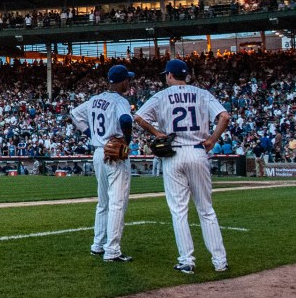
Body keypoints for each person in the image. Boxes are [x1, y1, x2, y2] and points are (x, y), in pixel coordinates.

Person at [134, 59, 229, 275]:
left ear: (169, 75)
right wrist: (213, 139)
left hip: (174, 153)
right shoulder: (201, 93)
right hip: (197, 150)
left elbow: (138, 117)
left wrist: (157, 133)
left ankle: (187, 260)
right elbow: (224, 116)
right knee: (206, 210)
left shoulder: (161, 96)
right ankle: (220, 261)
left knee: (179, 211)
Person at [70, 64, 136, 263]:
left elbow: (74, 114)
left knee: (103, 203)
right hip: (114, 154)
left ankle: (98, 245)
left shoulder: (94, 99)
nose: (129, 82)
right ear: (123, 81)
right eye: (128, 79)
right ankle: (112, 250)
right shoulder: (120, 100)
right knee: (117, 203)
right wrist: (127, 140)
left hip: (99, 151)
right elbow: (126, 119)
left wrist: (91, 134)